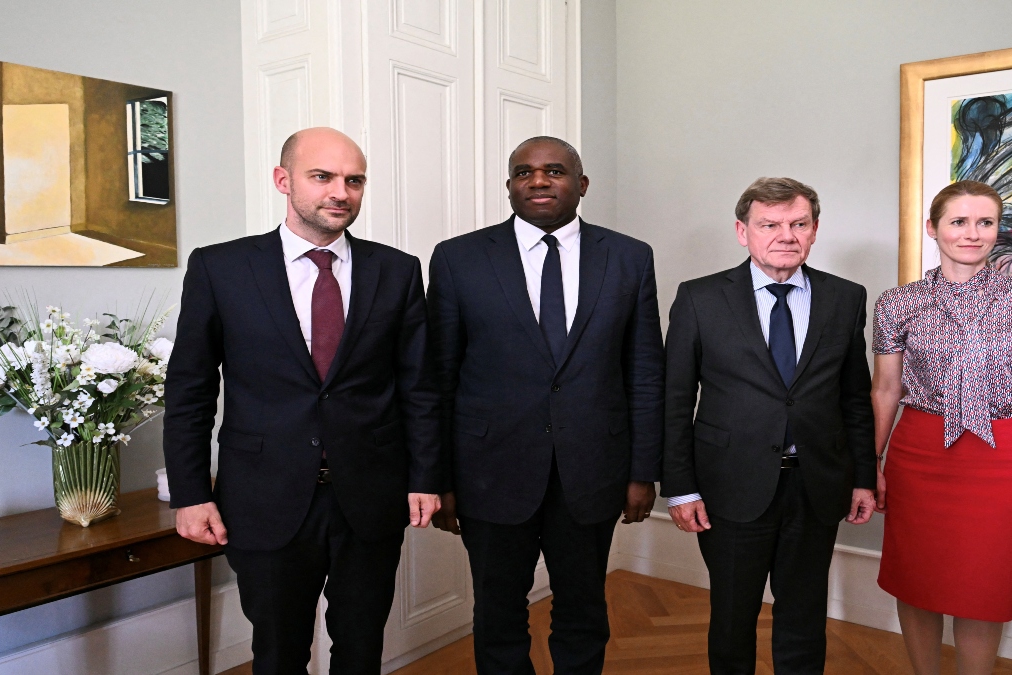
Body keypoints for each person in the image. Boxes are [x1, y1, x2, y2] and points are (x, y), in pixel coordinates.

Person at [163, 127, 442, 675]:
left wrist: (425, 476)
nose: (341, 191)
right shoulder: (221, 268)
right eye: (323, 176)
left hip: (371, 495)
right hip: (264, 496)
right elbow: (191, 389)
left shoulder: (398, 270)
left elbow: (419, 385)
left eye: (354, 180)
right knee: (277, 652)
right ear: (283, 180)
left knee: (361, 649)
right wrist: (190, 494)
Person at [427, 136, 664, 675]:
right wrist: (438, 476)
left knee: (583, 608)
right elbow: (437, 379)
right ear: (509, 185)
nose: (538, 180)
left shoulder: (629, 257)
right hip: (489, 473)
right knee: (497, 611)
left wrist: (643, 471)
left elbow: (646, 373)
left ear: (580, 185)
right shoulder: (458, 258)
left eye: (554, 171)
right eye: (523, 172)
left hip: (594, 471)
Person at [662, 177, 876, 675]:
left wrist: (863, 475)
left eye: (798, 223)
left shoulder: (845, 298)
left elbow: (854, 399)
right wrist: (679, 488)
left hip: (817, 484)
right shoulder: (699, 298)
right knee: (733, 618)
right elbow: (675, 400)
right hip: (729, 485)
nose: (786, 235)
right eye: (770, 224)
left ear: (815, 230)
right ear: (743, 231)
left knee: (804, 618)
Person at [871, 180, 1012, 675]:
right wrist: (870, 465)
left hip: (1004, 458)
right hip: (918, 455)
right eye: (959, 222)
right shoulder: (899, 302)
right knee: (917, 580)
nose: (972, 234)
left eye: (985, 222)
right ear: (933, 229)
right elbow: (886, 390)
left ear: (998, 231)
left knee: (985, 588)